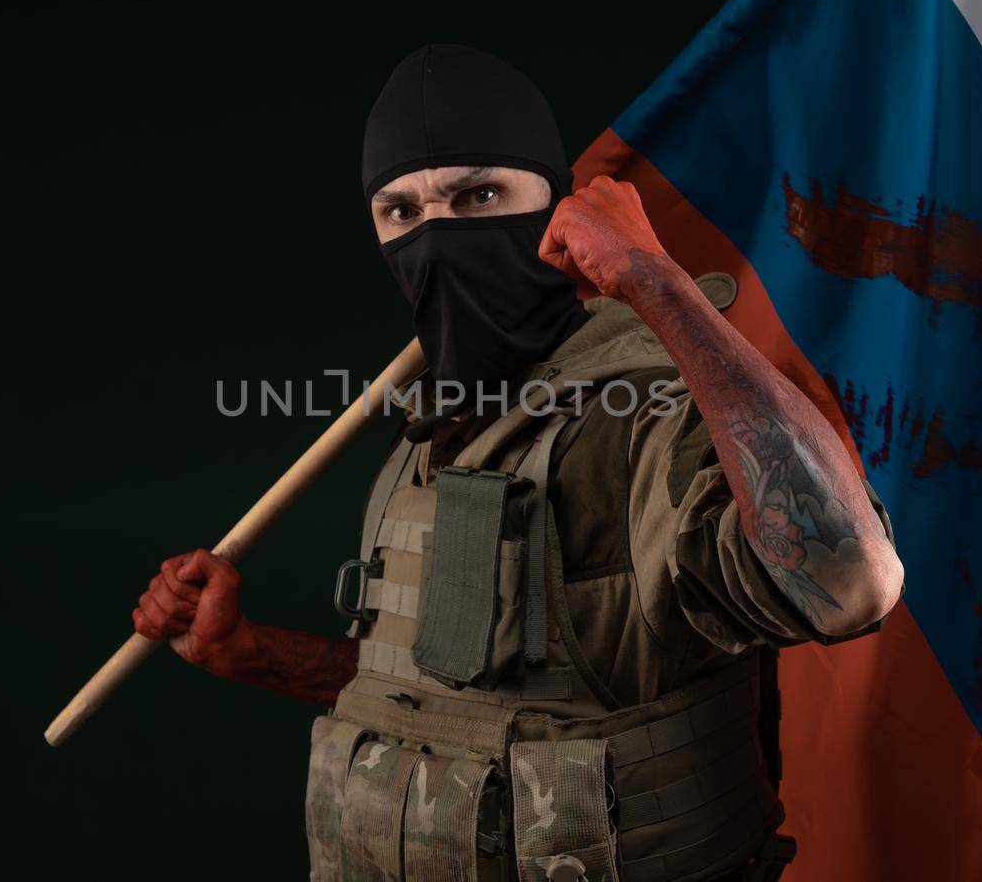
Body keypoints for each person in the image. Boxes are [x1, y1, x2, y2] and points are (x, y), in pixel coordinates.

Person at [132, 44, 902, 882]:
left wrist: (650, 277)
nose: (437, 238)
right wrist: (250, 651)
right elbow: (448, 707)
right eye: (401, 212)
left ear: (555, 207)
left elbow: (853, 578)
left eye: (480, 195)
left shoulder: (650, 416)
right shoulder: (429, 431)